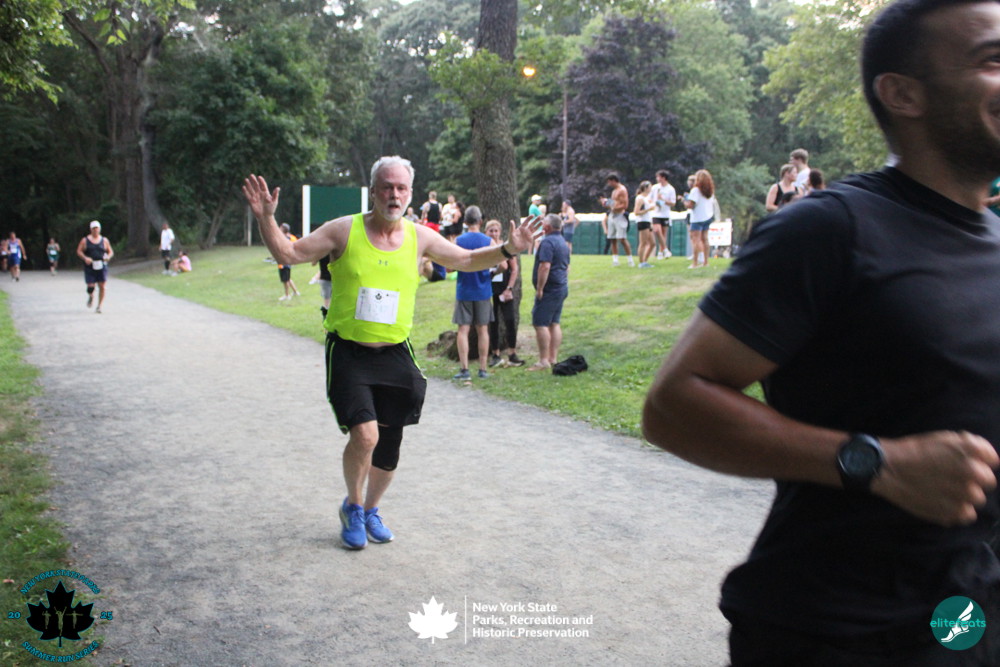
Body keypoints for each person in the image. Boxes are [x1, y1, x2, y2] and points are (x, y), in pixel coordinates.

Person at [642, 1, 1000, 663]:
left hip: (966, 619)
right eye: (992, 59)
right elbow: (672, 406)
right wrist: (878, 463)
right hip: (838, 632)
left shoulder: (993, 239)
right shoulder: (830, 229)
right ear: (903, 93)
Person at [242, 156, 540, 550]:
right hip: (349, 351)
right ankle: (352, 506)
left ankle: (370, 510)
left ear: (410, 193)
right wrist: (266, 218)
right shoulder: (343, 230)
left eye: (401, 188)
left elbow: (467, 260)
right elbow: (289, 254)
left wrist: (508, 249)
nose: (394, 195)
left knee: (389, 445)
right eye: (387, 186)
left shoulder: (420, 238)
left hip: (396, 352)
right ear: (374, 191)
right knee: (366, 436)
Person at [452, 206, 493, 381]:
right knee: (483, 330)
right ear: (480, 221)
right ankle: (483, 369)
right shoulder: (489, 241)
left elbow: (449, 266)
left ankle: (464, 368)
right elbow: (503, 265)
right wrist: (490, 275)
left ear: (465, 221)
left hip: (464, 290)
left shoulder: (458, 241)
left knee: (463, 330)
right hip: (483, 291)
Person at [529, 214, 571, 372]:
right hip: (561, 287)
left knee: (540, 323)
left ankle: (543, 360)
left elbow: (544, 266)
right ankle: (553, 358)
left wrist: (540, 288)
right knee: (554, 322)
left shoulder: (547, 242)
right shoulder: (563, 242)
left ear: (546, 227)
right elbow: (567, 267)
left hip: (550, 289)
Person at [485, 219, 524, 368]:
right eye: (491, 231)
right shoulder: (485, 248)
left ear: (500, 232)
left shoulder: (505, 247)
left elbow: (514, 269)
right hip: (489, 290)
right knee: (493, 323)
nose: (494, 233)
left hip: (504, 289)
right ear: (486, 232)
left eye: (496, 231)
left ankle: (512, 353)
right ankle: (495, 354)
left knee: (509, 320)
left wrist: (509, 288)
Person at [76, 221, 113, 313]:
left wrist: (108, 257)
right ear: (90, 229)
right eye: (93, 228)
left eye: (97, 228)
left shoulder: (104, 240)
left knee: (102, 286)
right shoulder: (85, 240)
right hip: (90, 266)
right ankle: (91, 295)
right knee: (90, 287)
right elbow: (79, 251)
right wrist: (85, 258)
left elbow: (110, 252)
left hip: (102, 265)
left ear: (99, 229)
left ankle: (99, 306)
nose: (95, 230)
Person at [599, 173, 634, 266]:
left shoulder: (622, 190)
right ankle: (615, 260)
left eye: (610, 182)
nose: (609, 184)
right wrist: (606, 202)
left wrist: (615, 208)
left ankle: (630, 260)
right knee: (612, 239)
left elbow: (625, 205)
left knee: (622, 238)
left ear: (614, 181)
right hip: (612, 215)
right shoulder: (614, 191)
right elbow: (614, 203)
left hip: (620, 215)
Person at [684, 169, 716, 268]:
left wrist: (685, 202)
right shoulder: (710, 191)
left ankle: (695, 263)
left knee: (696, 240)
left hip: (697, 218)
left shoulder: (695, 190)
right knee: (705, 239)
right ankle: (706, 262)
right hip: (707, 216)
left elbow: (691, 205)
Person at [651, 170, 676, 259]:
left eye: (658, 177)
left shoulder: (670, 189)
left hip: (665, 214)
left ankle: (661, 252)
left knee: (664, 233)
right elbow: (650, 198)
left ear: (663, 178)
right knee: (657, 230)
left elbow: (673, 203)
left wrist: (663, 200)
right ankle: (665, 249)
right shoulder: (654, 188)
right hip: (656, 213)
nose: (657, 179)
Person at [633, 180, 657, 268]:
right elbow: (636, 212)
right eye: (650, 187)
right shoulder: (640, 198)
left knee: (652, 243)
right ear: (646, 188)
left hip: (648, 221)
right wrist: (648, 210)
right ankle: (641, 262)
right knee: (643, 243)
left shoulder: (647, 198)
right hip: (642, 221)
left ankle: (645, 260)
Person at [277, 223, 301, 301]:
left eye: (280, 227)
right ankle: (295, 292)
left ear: (282, 229)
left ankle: (287, 295)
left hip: (284, 261)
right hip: (287, 260)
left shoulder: (283, 238)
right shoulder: (291, 237)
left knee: (285, 280)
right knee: (287, 278)